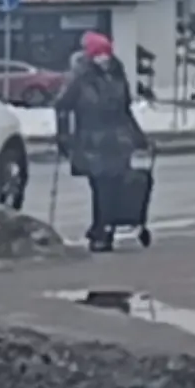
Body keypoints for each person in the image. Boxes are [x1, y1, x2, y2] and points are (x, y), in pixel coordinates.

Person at [54, 31, 150, 252]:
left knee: (117, 186)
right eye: (99, 54)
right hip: (92, 142)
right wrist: (63, 136)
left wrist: (138, 137)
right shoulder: (80, 77)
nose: (103, 58)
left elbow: (124, 110)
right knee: (102, 187)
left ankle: (103, 228)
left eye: (106, 53)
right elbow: (62, 106)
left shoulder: (117, 74)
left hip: (118, 141)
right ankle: (102, 231)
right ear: (90, 55)